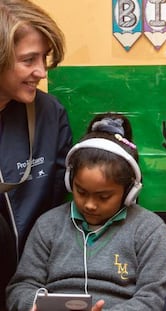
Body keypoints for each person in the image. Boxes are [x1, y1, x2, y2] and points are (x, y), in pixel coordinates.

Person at [6, 113, 166, 311]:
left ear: (129, 192)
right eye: (81, 192)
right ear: (69, 182)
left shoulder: (149, 229)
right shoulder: (48, 225)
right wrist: (32, 304)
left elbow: (153, 298)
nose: (90, 205)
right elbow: (20, 287)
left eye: (103, 197)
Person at [0, 0, 72, 308]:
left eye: (44, 58)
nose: (41, 71)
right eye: (29, 60)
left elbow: (60, 207)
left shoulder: (49, 114)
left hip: (31, 283)